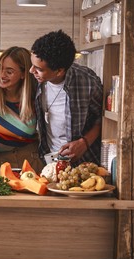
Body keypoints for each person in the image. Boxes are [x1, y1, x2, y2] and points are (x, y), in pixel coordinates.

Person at [30, 30, 103, 166]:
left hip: (84, 164)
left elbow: (103, 119)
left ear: (59, 71)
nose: (31, 71)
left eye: (38, 68)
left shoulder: (87, 82)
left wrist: (84, 143)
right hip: (50, 162)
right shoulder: (34, 80)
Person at [0, 46, 44, 173]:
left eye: (9, 71)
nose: (1, 75)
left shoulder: (37, 96)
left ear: (24, 74)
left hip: (31, 164)